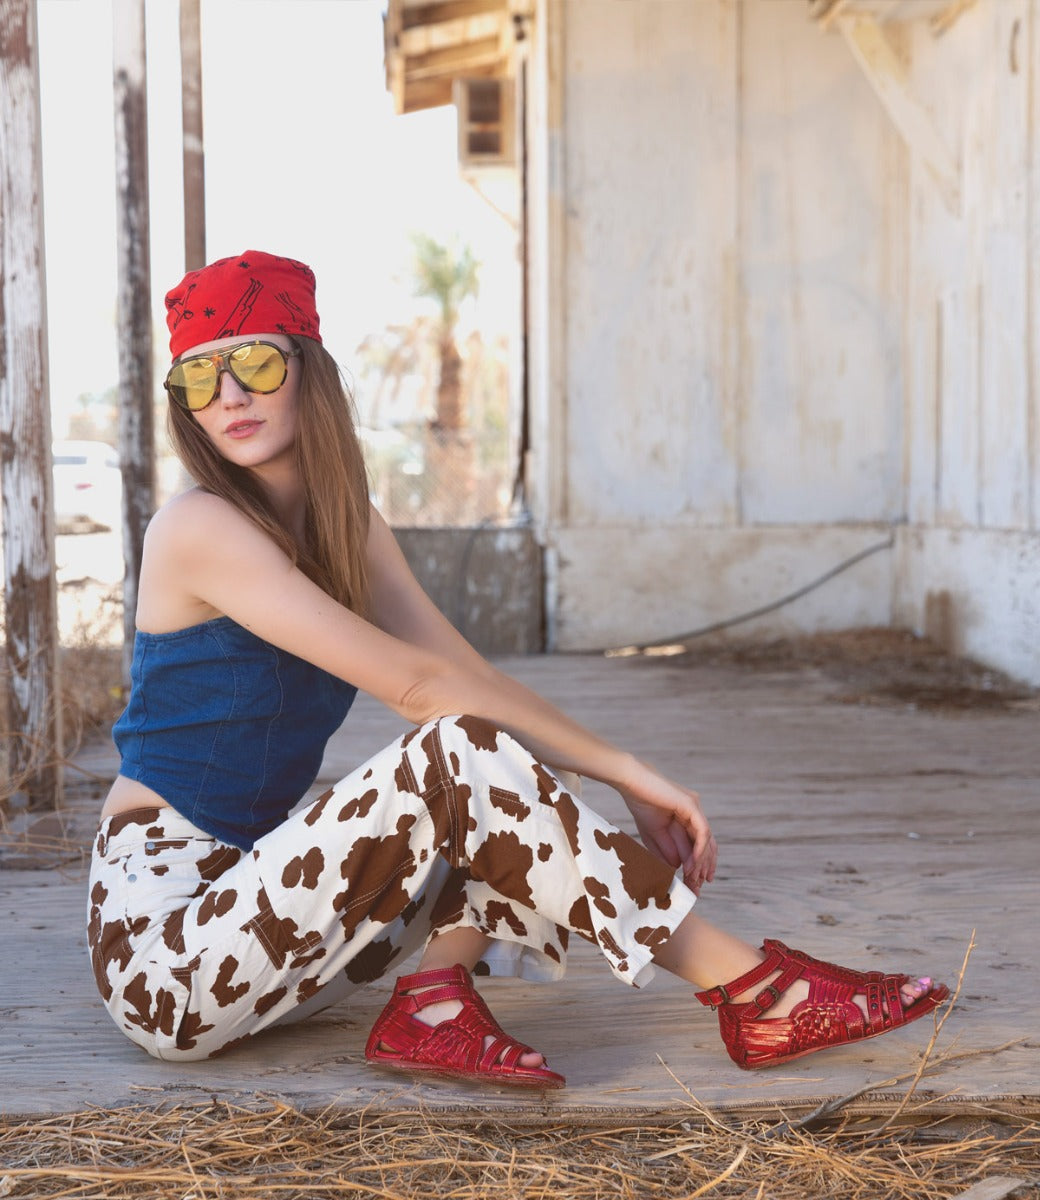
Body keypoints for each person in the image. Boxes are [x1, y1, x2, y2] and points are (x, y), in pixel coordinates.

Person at [87, 250, 947, 1088]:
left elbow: (463, 675)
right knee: (454, 747)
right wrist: (624, 771)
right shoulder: (198, 529)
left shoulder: (343, 524)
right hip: (172, 958)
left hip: (270, 922)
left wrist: (620, 777)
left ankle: (432, 1000)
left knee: (486, 736)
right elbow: (422, 693)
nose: (228, 394)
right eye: (198, 379)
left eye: (253, 363)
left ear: (309, 368)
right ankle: (756, 987)